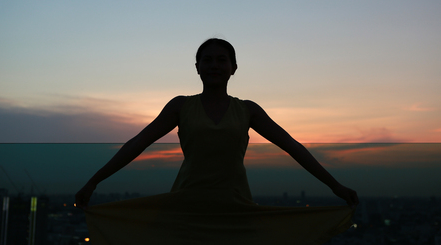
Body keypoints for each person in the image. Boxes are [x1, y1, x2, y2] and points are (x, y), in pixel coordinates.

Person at [75, 38, 359, 245]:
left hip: (235, 206)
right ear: (197, 67)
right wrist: (94, 181)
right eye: (207, 60)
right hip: (186, 206)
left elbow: (293, 147)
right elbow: (137, 144)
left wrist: (335, 186)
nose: (214, 65)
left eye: (221, 60)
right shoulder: (180, 106)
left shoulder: (247, 110)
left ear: (234, 68)